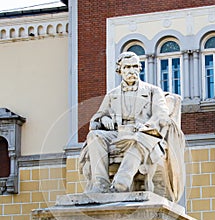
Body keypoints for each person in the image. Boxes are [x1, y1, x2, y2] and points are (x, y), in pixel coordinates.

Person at [79, 51, 185, 200]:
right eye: (127, 67)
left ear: (139, 68)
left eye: (135, 66)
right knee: (94, 136)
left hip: (143, 133)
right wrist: (104, 120)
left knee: (141, 138)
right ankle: (101, 185)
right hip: (119, 134)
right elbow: (97, 118)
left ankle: (121, 183)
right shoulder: (112, 94)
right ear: (120, 71)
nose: (131, 71)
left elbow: (161, 114)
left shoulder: (153, 91)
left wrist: (145, 126)